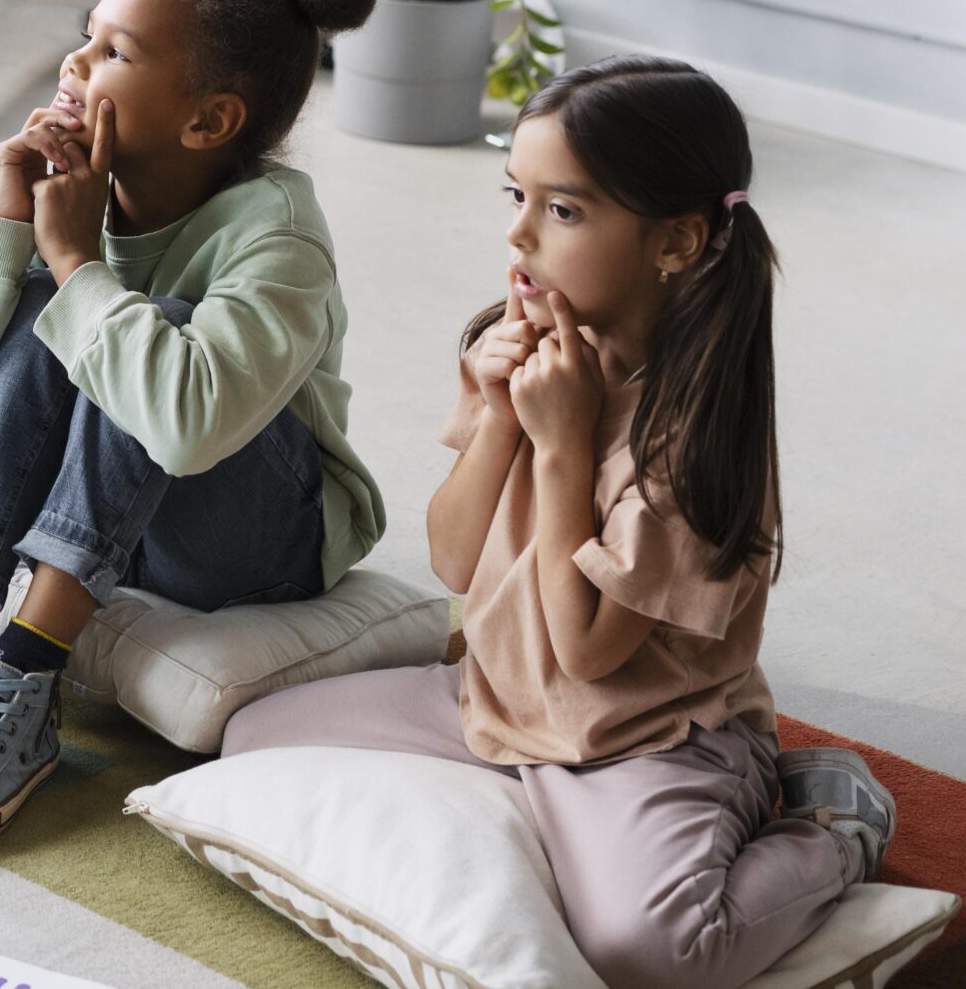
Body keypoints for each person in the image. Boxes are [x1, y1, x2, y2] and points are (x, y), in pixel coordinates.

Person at [224, 56, 896, 989]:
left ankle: (829, 827)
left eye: (564, 210)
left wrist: (565, 444)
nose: (518, 233)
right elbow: (454, 559)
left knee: (652, 954)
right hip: (492, 702)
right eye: (517, 194)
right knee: (249, 738)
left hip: (642, 736)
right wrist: (501, 409)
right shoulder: (522, 348)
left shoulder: (697, 447)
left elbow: (587, 654)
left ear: (676, 241)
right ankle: (531, 797)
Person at [0, 0, 382, 847]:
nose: (74, 64)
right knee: (52, 307)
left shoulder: (278, 231)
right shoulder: (68, 194)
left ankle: (27, 668)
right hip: (117, 528)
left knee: (145, 325)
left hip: (259, 538)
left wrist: (78, 264)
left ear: (209, 119)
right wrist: (7, 228)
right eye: (86, 36)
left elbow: (188, 430)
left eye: (116, 51)